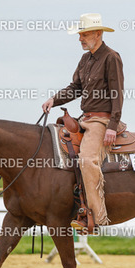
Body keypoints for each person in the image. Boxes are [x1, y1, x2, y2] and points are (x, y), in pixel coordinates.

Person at [42, 13, 124, 228]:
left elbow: (117, 93)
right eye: (80, 35)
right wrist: (54, 99)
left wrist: (112, 126)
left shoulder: (111, 57)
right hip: (84, 118)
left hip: (101, 121)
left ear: (98, 34)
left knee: (87, 160)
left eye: (84, 34)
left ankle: (96, 217)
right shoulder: (85, 60)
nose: (80, 38)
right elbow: (75, 88)